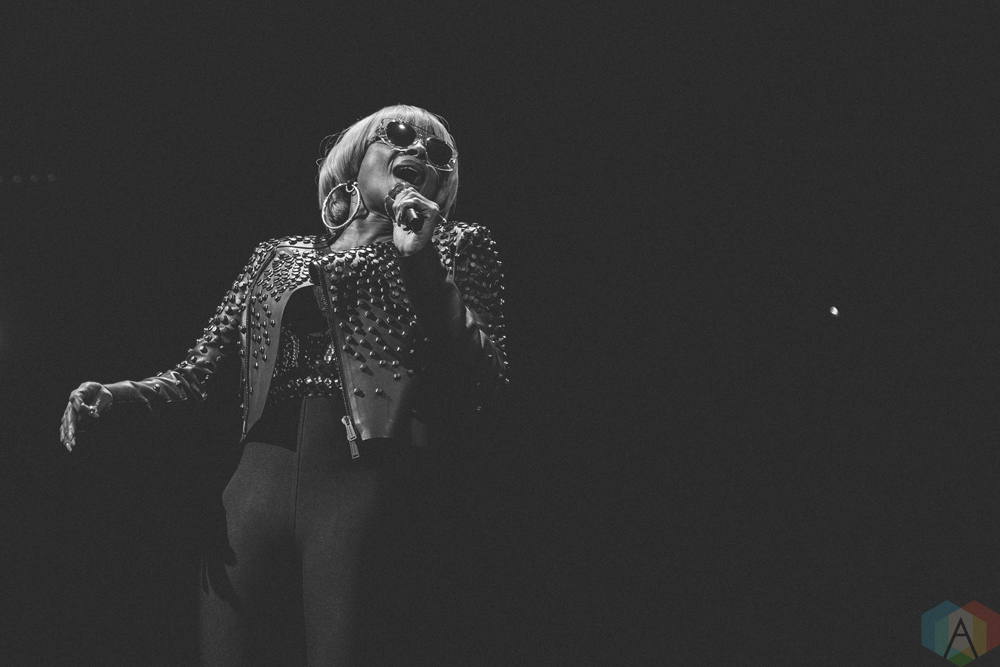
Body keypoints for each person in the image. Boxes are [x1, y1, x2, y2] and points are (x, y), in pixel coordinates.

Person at [59, 104, 509, 666]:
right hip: (251, 495)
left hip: (363, 493)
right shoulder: (275, 256)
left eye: (438, 153)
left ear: (443, 184)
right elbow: (197, 377)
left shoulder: (456, 246)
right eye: (397, 134)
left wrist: (421, 262)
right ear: (355, 156)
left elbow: (486, 377)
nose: (417, 149)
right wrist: (117, 395)